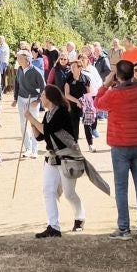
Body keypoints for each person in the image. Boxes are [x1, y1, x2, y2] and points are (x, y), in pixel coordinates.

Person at [92, 61, 137, 239]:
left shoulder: (113, 94)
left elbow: (97, 104)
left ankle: (124, 228)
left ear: (117, 76)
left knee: (121, 188)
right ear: (132, 73)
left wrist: (105, 85)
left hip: (120, 144)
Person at [33, 83, 101, 237]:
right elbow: (41, 137)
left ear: (49, 98)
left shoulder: (62, 112)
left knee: (69, 193)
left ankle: (80, 217)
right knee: (48, 190)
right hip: (52, 157)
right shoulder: (48, 113)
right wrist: (32, 123)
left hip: (67, 157)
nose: (41, 97)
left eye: (43, 95)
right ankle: (53, 226)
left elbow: (48, 130)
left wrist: (31, 117)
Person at [13, 46, 46, 159]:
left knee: (34, 124)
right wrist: (15, 99)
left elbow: (43, 87)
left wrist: (38, 101)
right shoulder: (19, 70)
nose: (18, 60)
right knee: (23, 125)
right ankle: (27, 148)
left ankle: (34, 150)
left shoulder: (36, 71)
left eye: (19, 58)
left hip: (32, 100)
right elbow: (17, 84)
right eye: (17, 58)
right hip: (21, 99)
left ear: (27, 59)